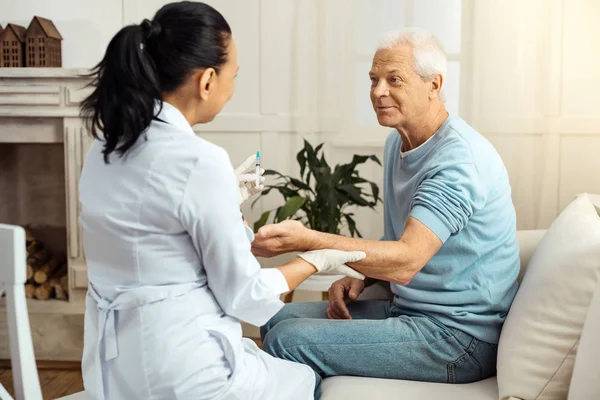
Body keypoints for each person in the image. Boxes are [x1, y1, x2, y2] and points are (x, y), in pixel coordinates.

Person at [77, 2, 365, 399]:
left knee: (256, 355)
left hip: (114, 367)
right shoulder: (200, 161)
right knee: (304, 380)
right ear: (207, 80)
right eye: (235, 75)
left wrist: (225, 198)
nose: (232, 88)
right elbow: (245, 297)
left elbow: (151, 230)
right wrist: (316, 259)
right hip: (180, 368)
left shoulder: (105, 146)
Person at [254, 28, 520, 387]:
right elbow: (400, 239)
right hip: (410, 309)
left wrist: (308, 240)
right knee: (274, 318)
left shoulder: (458, 162)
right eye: (374, 79)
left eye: (394, 80)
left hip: (459, 338)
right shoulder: (398, 143)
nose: (378, 92)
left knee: (287, 340)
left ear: (434, 85)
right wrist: (361, 276)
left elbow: (407, 260)